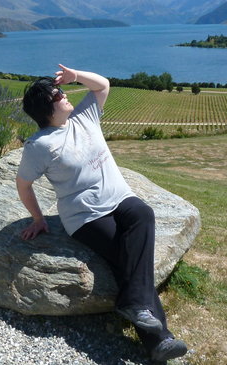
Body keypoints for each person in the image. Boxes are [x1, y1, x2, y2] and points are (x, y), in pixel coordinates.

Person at [16, 64, 188, 363]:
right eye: (57, 95)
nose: (64, 95)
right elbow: (23, 184)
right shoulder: (39, 146)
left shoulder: (84, 117)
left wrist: (75, 75)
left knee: (143, 213)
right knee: (126, 256)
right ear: (46, 108)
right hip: (85, 216)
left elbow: (103, 85)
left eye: (61, 91)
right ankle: (160, 340)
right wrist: (39, 219)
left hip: (120, 198)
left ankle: (134, 304)